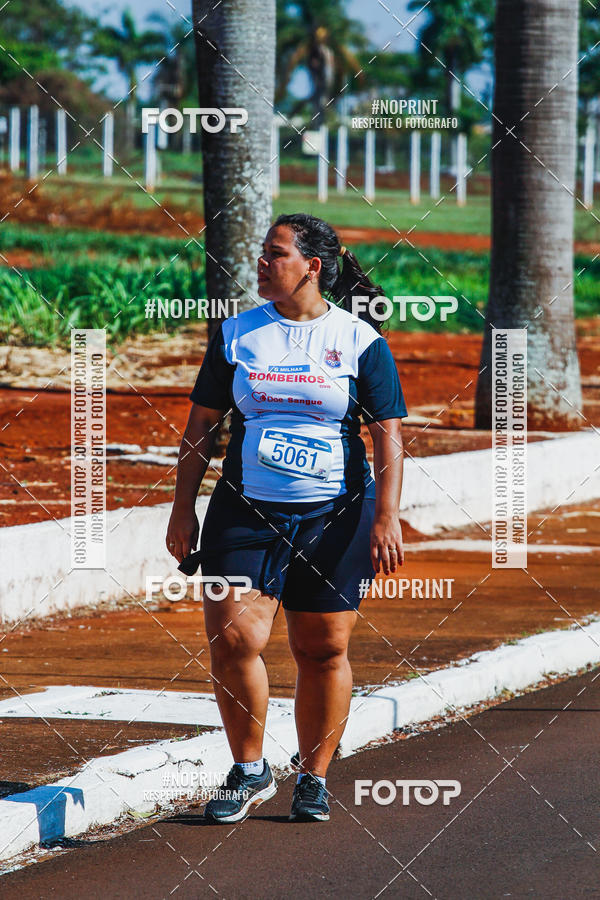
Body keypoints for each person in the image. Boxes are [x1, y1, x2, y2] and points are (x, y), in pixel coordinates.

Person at [166, 213, 407, 823]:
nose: (262, 263)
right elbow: (200, 429)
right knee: (235, 637)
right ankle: (248, 769)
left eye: (275, 254)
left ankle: (314, 777)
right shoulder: (237, 335)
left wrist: (387, 518)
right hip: (244, 510)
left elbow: (388, 437)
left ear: (312, 267)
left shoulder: (360, 342)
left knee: (322, 647)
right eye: (262, 253)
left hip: (338, 515)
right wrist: (182, 508)